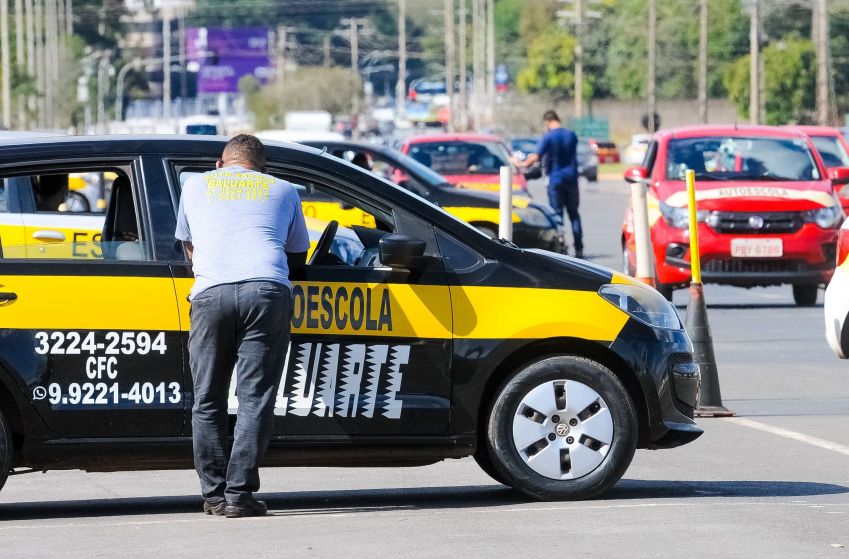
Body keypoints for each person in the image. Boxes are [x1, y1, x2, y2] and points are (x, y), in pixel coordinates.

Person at [175, 134, 310, 518]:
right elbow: (296, 255)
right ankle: (239, 495)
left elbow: (189, 248)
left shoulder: (194, 186)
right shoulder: (283, 189)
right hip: (266, 291)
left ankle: (214, 495)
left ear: (220, 164)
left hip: (210, 293)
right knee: (254, 399)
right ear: (263, 168)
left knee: (208, 399)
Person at [513, 110, 583, 258]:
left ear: (547, 121)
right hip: (571, 179)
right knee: (574, 215)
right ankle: (579, 248)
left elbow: (536, 157)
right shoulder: (571, 135)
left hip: (555, 179)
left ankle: (561, 247)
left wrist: (522, 164)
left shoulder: (549, 136)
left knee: (557, 214)